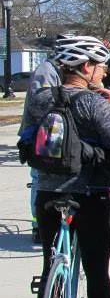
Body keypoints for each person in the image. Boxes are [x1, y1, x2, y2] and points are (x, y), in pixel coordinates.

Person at [28, 35, 110, 298]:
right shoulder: (94, 103)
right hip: (91, 195)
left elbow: (28, 137)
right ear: (86, 67)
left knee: (50, 265)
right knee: (97, 270)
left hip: (48, 193)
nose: (103, 72)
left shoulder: (40, 99)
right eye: (100, 66)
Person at [18, 42, 63, 243]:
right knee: (39, 179)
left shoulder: (59, 70)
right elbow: (40, 107)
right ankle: (38, 225)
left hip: (54, 133)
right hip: (40, 134)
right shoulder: (46, 71)